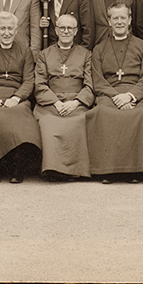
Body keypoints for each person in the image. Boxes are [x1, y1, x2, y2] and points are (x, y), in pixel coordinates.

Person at [87, 3, 143, 183]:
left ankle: (136, 170)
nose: (119, 22)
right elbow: (98, 80)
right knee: (103, 113)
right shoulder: (99, 48)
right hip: (109, 94)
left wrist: (130, 96)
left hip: (136, 95)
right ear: (109, 21)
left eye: (123, 18)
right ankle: (107, 171)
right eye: (115, 18)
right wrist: (116, 96)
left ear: (129, 20)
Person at [0, 12, 42, 183]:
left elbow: (29, 80)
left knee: (20, 112)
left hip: (16, 96)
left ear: (16, 30)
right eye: (2, 28)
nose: (6, 33)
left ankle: (17, 166)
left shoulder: (25, 52)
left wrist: (16, 98)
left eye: (10, 28)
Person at [33, 13, 94, 179]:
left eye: (70, 28)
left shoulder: (86, 54)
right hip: (51, 103)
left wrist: (75, 103)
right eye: (62, 28)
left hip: (76, 103)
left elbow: (89, 85)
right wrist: (56, 103)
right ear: (56, 30)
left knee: (79, 122)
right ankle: (53, 169)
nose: (66, 31)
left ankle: (76, 171)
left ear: (75, 31)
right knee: (48, 123)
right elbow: (40, 84)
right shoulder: (44, 54)